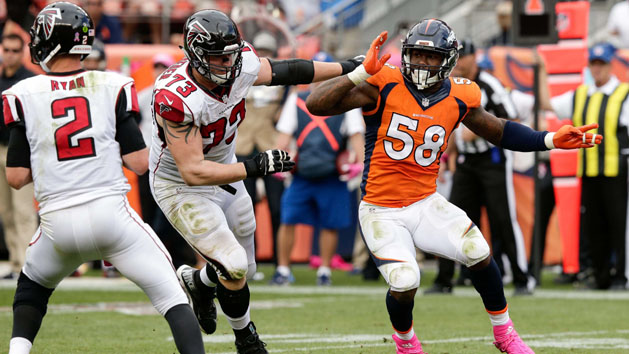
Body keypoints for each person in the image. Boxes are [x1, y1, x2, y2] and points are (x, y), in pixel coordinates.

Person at [306, 19, 601, 353]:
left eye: (431, 57)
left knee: (478, 249)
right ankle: (406, 344)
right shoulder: (383, 83)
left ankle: (505, 334)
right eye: (417, 54)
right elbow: (316, 104)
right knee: (405, 281)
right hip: (381, 209)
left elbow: (498, 130)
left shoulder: (460, 94)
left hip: (425, 202)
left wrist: (549, 139)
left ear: (448, 59)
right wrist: (358, 73)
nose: (422, 63)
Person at [148, 9, 365, 353]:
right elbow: (193, 171)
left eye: (232, 55)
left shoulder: (239, 63)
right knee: (232, 265)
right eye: (219, 58)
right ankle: (246, 338)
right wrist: (254, 166)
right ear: (196, 55)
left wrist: (349, 67)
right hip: (181, 186)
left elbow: (288, 70)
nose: (228, 65)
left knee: (242, 269)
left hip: (226, 168)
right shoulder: (176, 97)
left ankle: (199, 283)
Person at [4, 3, 204, 354]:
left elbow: (17, 177)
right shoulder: (113, 84)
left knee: (31, 290)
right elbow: (139, 163)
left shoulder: (23, 93)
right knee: (172, 294)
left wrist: (53, 158)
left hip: (56, 224)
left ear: (50, 40)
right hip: (112, 217)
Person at [424, 39, 531, 296]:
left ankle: (521, 279)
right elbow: (447, 126)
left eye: (463, 56)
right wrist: (443, 158)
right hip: (466, 162)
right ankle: (445, 279)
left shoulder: (489, 84)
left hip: (492, 159)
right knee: (451, 218)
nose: (458, 62)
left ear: (475, 58)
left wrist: (481, 131)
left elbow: (512, 118)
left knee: (502, 219)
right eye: (455, 57)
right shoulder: (450, 84)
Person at [270, 52, 365, 286]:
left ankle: (324, 269)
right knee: (288, 219)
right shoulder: (298, 99)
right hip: (302, 172)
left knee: (330, 223)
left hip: (333, 172)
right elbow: (283, 137)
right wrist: (277, 161)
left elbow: (356, 137)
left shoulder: (346, 101)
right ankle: (283, 268)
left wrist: (360, 165)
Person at [550, 42, 628, 290]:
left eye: (601, 64)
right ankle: (600, 275)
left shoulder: (624, 93)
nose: (597, 69)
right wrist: (541, 70)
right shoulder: (581, 94)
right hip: (589, 171)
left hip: (617, 171)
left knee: (619, 225)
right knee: (594, 226)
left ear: (610, 65)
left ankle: (621, 276)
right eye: (593, 64)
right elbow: (548, 104)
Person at [235, 31, 287, 265]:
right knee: (246, 208)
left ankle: (280, 260)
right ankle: (248, 259)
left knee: (277, 207)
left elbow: (286, 112)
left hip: (270, 144)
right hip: (243, 144)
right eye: (261, 51)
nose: (264, 55)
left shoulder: (282, 79)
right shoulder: (239, 77)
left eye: (268, 52)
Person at [0, 33, 37, 280]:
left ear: (22, 53)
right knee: (5, 211)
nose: (11, 54)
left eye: (15, 50)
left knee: (23, 209)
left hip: (22, 150)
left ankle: (27, 266)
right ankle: (15, 262)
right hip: (0, 148)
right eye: (7, 50)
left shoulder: (30, 82)